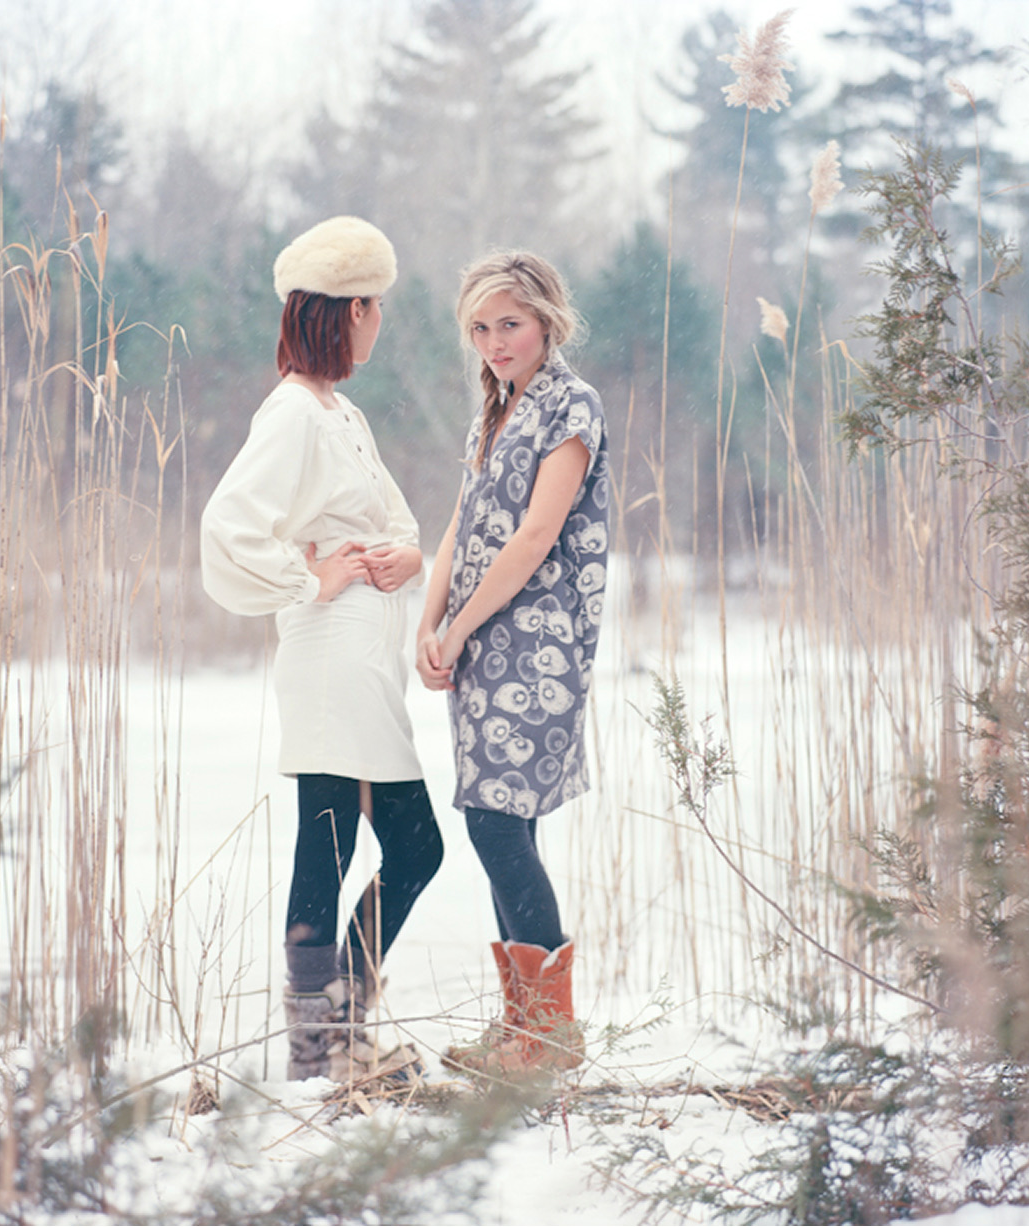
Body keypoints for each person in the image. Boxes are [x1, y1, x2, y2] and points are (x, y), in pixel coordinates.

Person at [200, 216, 443, 1083]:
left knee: (402, 846)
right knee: (340, 842)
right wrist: (310, 577)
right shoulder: (294, 413)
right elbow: (228, 529)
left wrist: (408, 556)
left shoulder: (343, 413)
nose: (380, 322)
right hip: (330, 654)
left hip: (364, 662)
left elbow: (394, 522)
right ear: (351, 311)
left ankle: (336, 1028)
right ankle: (320, 1041)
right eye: (376, 306)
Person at [417, 251, 609, 1076]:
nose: (495, 342)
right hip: (481, 642)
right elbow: (461, 523)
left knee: (495, 823)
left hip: (537, 645)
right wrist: (430, 621)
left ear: (547, 321)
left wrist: (460, 628)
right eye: (481, 328)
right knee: (503, 821)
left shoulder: (571, 404)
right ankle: (523, 1028)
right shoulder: (494, 412)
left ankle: (551, 1033)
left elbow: (534, 536)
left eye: (511, 324)